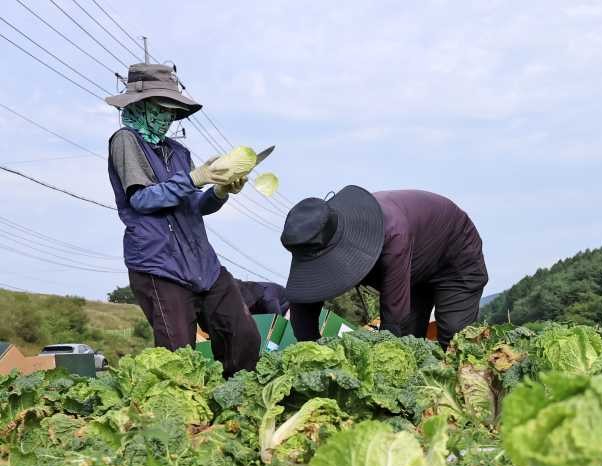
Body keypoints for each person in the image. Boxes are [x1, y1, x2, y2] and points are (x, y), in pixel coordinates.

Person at [104, 62, 260, 377]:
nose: (167, 117)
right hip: (159, 265)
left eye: (171, 110)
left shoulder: (178, 152)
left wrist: (220, 190)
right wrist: (194, 178)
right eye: (160, 108)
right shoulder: (125, 141)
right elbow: (142, 199)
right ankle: (183, 419)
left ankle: (238, 404)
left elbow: (195, 207)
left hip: (203, 263)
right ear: (141, 105)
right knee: (178, 356)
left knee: (242, 335)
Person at [281, 187, 487, 348]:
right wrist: (311, 350)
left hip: (454, 256)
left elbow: (393, 321)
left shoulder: (391, 231)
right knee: (411, 341)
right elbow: (303, 299)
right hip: (414, 270)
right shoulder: (308, 238)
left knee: (454, 339)